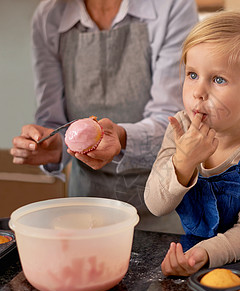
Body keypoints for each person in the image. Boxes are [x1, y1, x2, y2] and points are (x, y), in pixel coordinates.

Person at [10, 0, 199, 233]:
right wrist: (52, 145)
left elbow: (173, 123)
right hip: (87, 207)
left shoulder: (171, 6)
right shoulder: (49, 16)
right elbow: (54, 121)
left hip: (165, 199)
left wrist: (119, 137)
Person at [144, 11, 240, 276]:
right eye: (192, 74)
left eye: (218, 79)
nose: (198, 91)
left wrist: (204, 253)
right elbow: (156, 205)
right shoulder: (180, 131)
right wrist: (183, 162)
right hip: (200, 260)